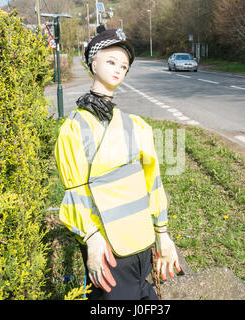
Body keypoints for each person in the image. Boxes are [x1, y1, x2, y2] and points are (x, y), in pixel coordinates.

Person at [54, 28, 180, 300]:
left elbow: (152, 183)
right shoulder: (74, 128)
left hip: (142, 244)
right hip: (107, 250)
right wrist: (91, 238)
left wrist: (163, 234)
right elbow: (75, 191)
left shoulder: (136, 125)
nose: (118, 70)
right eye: (111, 61)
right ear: (93, 63)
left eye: (124, 66)